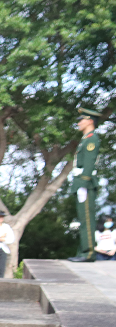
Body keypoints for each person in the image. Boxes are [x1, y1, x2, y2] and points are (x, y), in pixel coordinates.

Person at [68, 107, 103, 262]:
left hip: (86, 183)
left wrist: (83, 182)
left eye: (81, 120)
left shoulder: (92, 139)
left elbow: (88, 164)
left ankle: (88, 253)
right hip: (81, 182)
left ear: (89, 121)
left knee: (87, 219)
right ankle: (83, 251)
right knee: (83, 218)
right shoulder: (86, 138)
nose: (79, 123)